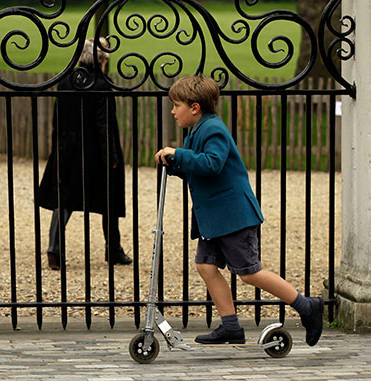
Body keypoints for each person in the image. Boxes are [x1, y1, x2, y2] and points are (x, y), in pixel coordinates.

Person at [154, 75, 323, 346]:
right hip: (215, 220)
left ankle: (307, 306)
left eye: (176, 106)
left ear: (194, 108)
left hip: (234, 217)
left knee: (249, 272)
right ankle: (231, 327)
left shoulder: (213, 129)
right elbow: (201, 172)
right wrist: (175, 165)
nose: (173, 111)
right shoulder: (196, 131)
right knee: (206, 265)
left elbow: (213, 164)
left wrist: (180, 154)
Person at [37, 37, 132, 271]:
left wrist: (57, 148)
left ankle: (54, 250)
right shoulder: (101, 84)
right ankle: (114, 249)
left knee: (64, 198)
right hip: (95, 151)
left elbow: (57, 119)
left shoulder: (67, 81)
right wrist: (111, 156)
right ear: (102, 60)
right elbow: (103, 123)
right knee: (108, 197)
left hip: (68, 147)